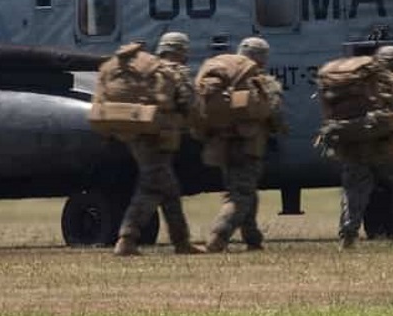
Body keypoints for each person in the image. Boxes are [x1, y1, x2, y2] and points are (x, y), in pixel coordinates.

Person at [320, 43, 393, 248]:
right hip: (385, 148)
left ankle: (348, 236)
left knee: (353, 191)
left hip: (352, 146)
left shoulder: (357, 84)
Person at [110, 31, 201, 257]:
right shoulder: (174, 72)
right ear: (181, 51)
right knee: (150, 189)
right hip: (158, 139)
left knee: (168, 191)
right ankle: (127, 238)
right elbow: (190, 103)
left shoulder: (146, 70)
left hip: (138, 136)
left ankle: (181, 242)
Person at [199, 37, 287, 253]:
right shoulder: (257, 77)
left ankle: (253, 239)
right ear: (261, 57)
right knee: (240, 196)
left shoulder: (224, 70)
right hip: (248, 144)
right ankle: (218, 237)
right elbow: (274, 111)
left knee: (244, 190)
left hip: (221, 143)